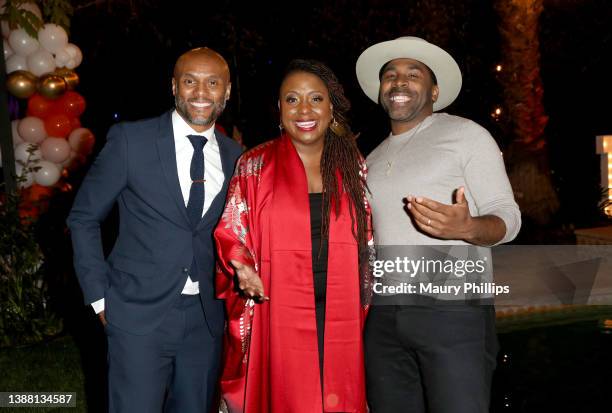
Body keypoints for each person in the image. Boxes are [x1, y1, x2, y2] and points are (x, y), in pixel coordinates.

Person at [67, 47, 242, 413]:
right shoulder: (131, 141)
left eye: (213, 83)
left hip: (207, 319)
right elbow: (83, 217)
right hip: (136, 313)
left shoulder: (236, 157)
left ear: (226, 92)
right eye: (190, 81)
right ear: (173, 86)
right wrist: (98, 295)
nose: (200, 92)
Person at [355, 37, 521, 412]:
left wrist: (469, 228)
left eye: (413, 74)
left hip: (453, 311)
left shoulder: (467, 135)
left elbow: (508, 218)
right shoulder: (372, 158)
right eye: (391, 75)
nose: (399, 82)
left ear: (434, 90)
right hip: (383, 316)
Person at [214, 59, 372, 413]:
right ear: (280, 109)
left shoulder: (351, 164)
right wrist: (242, 266)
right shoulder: (255, 164)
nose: (304, 109)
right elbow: (232, 227)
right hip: (279, 310)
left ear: (332, 107)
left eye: (316, 99)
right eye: (292, 99)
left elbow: (367, 240)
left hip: (339, 308)